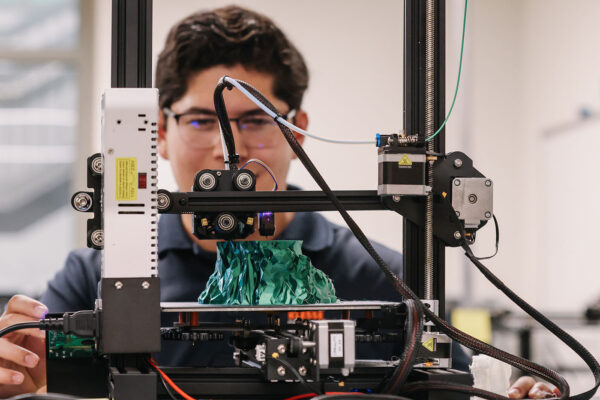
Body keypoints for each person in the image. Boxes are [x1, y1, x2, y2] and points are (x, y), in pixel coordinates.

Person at [0, 5, 556, 399]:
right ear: (157, 133)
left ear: (298, 130)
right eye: (200, 120)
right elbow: (27, 370)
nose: (228, 148)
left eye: (255, 120)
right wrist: (12, 370)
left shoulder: (384, 275)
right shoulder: (94, 276)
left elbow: (453, 388)